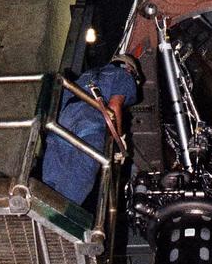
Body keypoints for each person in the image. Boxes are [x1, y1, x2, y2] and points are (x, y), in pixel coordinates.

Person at [41, 54, 141, 206]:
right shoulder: (123, 75)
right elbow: (114, 106)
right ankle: (58, 221)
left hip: (61, 124)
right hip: (90, 124)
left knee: (50, 184)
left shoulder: (87, 75)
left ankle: (40, 216)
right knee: (78, 180)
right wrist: (119, 140)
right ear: (129, 69)